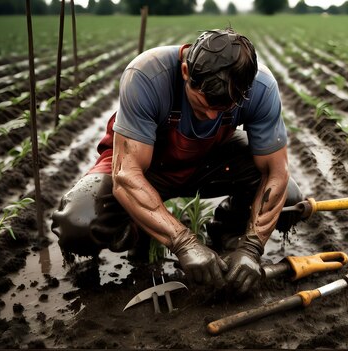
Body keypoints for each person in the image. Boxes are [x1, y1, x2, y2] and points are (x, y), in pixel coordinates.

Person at [51, 27, 303, 294]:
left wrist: (252, 247)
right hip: (147, 164)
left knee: (288, 199)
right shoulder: (147, 75)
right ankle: (140, 228)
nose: (208, 116)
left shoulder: (261, 87)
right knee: (77, 221)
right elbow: (126, 175)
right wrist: (184, 242)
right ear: (186, 73)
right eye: (201, 104)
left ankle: (227, 236)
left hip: (210, 159)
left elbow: (275, 172)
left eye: (220, 110)